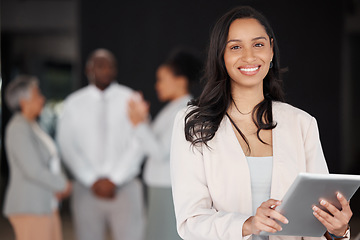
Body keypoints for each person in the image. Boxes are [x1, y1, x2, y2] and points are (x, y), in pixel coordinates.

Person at [170, 6, 352, 240]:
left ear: (271, 50)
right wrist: (248, 224)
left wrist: (338, 231)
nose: (249, 56)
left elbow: (318, 219)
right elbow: (190, 222)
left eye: (258, 44)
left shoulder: (301, 123)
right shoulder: (194, 124)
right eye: (235, 47)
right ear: (220, 55)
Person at [56, 48, 145, 240]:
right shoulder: (73, 103)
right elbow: (67, 145)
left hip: (125, 187)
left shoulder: (130, 98)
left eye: (111, 66)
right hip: (87, 189)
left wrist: (115, 179)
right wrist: (91, 179)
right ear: (89, 69)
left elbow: (138, 142)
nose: (106, 70)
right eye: (100, 66)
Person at [128, 48, 202, 240]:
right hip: (160, 185)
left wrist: (138, 124)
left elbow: (159, 151)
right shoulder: (173, 109)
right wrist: (142, 121)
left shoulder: (185, 111)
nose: (157, 85)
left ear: (180, 81)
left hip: (167, 187)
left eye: (161, 79)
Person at [3, 75, 71, 240]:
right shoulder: (18, 128)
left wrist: (59, 183)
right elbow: (32, 169)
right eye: (37, 95)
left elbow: (52, 160)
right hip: (30, 206)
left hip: (46, 205)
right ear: (23, 101)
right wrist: (62, 184)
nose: (42, 99)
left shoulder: (34, 126)